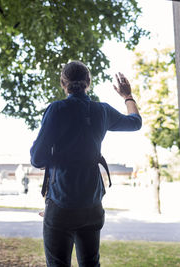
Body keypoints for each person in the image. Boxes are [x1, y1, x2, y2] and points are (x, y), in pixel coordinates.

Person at [30, 61, 141, 267]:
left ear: (63, 82)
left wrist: (52, 158)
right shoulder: (102, 111)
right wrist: (127, 96)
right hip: (92, 206)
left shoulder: (57, 109)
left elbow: (37, 157)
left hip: (60, 204)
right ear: (88, 82)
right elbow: (135, 122)